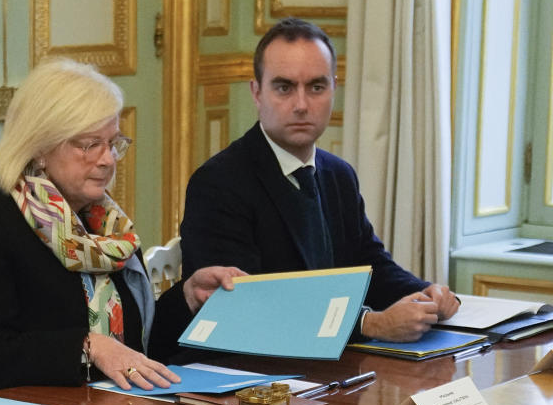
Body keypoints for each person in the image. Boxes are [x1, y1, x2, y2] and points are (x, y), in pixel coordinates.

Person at [0, 58, 241, 397]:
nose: (108, 160)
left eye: (114, 144)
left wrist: (187, 298)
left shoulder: (107, 227)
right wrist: (87, 347)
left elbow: (136, 349)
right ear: (39, 147)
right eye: (89, 145)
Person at [179, 18, 458, 343]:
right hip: (248, 372)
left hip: (334, 367)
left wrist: (425, 294)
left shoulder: (339, 175)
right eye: (284, 87)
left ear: (333, 90)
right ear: (256, 92)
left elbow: (371, 267)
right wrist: (369, 324)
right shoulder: (218, 183)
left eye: (316, 87)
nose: (301, 105)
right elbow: (242, 307)